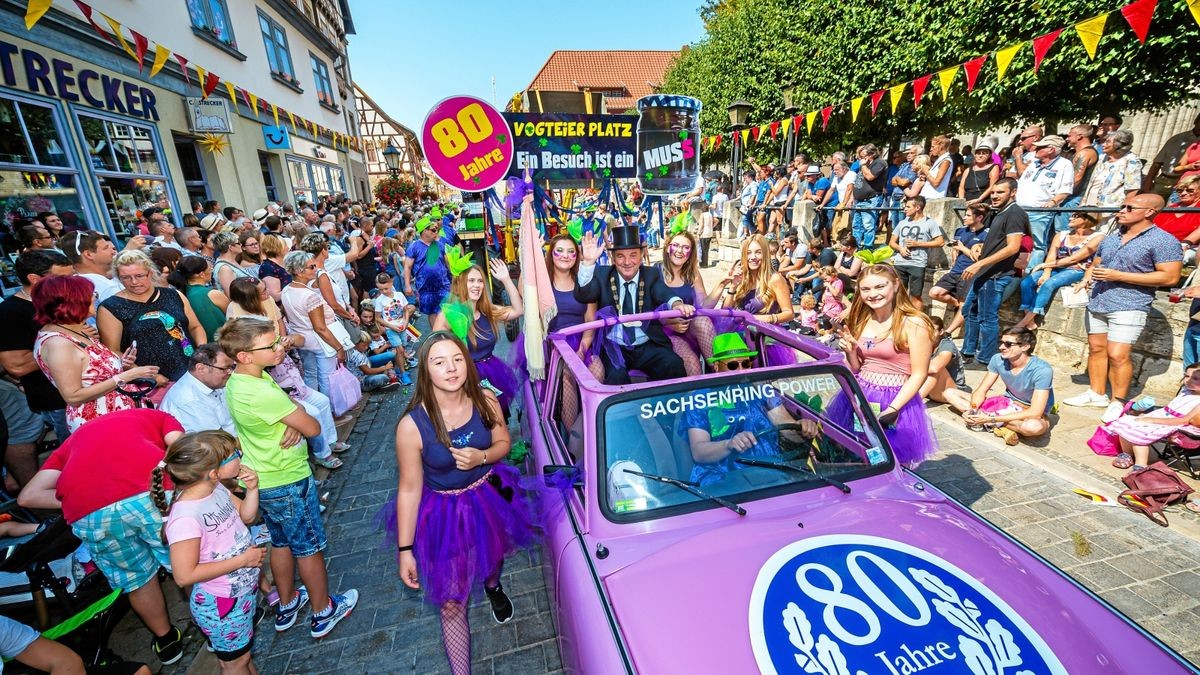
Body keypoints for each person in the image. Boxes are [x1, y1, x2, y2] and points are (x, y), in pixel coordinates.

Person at [391, 332, 535, 675]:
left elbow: (503, 441)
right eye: (439, 362)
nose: (451, 368)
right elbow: (409, 489)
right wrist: (405, 550)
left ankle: (493, 585)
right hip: (443, 512)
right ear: (426, 372)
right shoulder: (411, 427)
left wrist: (481, 456)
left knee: (494, 553)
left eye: (457, 359)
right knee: (451, 601)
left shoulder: (485, 398)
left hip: (489, 496)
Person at [219, 318, 358, 638]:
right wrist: (299, 420)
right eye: (270, 345)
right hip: (287, 478)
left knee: (281, 542)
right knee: (308, 546)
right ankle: (324, 611)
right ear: (244, 356)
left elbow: (291, 415)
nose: (280, 347)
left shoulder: (238, 382)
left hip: (263, 479)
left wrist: (293, 419)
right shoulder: (261, 391)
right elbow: (313, 427)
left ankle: (287, 602)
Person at [18, 409, 188, 666]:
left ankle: (166, 642)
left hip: (92, 516)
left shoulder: (72, 442)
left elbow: (27, 496)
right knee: (185, 562)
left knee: (137, 579)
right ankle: (214, 627)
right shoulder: (154, 416)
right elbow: (185, 452)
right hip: (149, 495)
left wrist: (84, 498)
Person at [1054, 193, 1182, 420]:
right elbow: (1097, 262)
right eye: (1122, 206)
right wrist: (1087, 278)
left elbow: (1170, 277)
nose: (1121, 211)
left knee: (1118, 355)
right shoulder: (1112, 237)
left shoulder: (1163, 241)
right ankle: (1096, 393)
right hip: (1099, 300)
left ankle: (1118, 401)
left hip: (1130, 304)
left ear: (1149, 212)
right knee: (1096, 349)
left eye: (1129, 207)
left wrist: (1118, 275)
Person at [154, 431, 265, 674]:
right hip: (222, 602)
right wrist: (243, 560)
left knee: (243, 659)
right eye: (234, 454)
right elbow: (184, 576)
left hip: (240, 594)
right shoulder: (185, 518)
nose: (240, 455)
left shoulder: (215, 489)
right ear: (214, 472)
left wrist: (253, 489)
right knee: (234, 664)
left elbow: (246, 516)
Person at [829, 264, 937, 467]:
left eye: (880, 286)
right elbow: (856, 368)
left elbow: (919, 373)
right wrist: (851, 352)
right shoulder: (861, 319)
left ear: (896, 285)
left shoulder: (915, 323)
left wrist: (894, 408)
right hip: (860, 396)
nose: (873, 294)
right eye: (866, 289)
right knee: (860, 455)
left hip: (895, 399)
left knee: (893, 462)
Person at [683, 332, 821, 486]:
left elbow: (786, 428)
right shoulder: (700, 398)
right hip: (722, 475)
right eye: (733, 365)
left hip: (769, 468)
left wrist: (802, 428)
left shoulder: (761, 389)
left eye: (746, 364)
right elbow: (699, 451)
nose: (742, 370)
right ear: (716, 366)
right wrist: (728, 444)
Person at [33, 275, 158, 433]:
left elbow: (90, 372)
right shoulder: (59, 345)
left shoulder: (74, 330)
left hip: (118, 415)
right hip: (101, 423)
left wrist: (121, 364)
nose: (95, 297)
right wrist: (127, 376)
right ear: (74, 302)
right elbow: (73, 396)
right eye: (91, 294)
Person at [575, 226, 693, 384]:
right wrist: (588, 263)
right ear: (612, 258)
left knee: (673, 364)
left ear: (642, 256)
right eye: (620, 256)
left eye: (633, 255)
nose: (627, 262)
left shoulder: (651, 274)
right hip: (614, 346)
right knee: (616, 377)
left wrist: (677, 304)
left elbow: (663, 292)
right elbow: (584, 295)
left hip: (647, 344)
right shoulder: (602, 274)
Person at [0, 250, 75, 454]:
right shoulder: (11, 312)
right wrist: (69, 342)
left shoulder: (58, 301)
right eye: (62, 279)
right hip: (56, 401)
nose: (70, 284)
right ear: (34, 279)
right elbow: (17, 366)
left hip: (80, 394)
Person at [98, 250, 205, 384]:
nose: (134, 282)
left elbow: (195, 327)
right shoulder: (110, 307)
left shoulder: (173, 295)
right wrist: (149, 376)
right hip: (155, 382)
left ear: (151, 272)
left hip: (194, 371)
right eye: (126, 277)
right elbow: (113, 351)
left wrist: (203, 354)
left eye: (140, 275)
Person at [430, 259, 523, 409]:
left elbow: (518, 310)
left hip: (491, 374)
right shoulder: (448, 316)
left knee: (497, 418)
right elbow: (433, 354)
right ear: (460, 283)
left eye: (480, 281)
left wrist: (506, 279)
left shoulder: (488, 310)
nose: (477, 285)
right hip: (463, 379)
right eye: (471, 280)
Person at [944, 327, 1053, 446]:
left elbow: (1035, 412)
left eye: (1008, 344)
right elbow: (982, 389)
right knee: (949, 393)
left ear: (1025, 347)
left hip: (1027, 411)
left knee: (1033, 428)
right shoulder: (997, 359)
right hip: (1006, 403)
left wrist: (991, 419)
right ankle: (995, 423)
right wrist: (973, 408)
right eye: (1001, 342)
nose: (1001, 347)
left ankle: (990, 422)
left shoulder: (1042, 370)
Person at [960, 179, 1028, 364]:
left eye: (1000, 192)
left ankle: (985, 360)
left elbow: (1013, 247)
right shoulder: (1000, 213)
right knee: (969, 311)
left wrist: (977, 265)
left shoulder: (1014, 213)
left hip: (996, 275)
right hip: (986, 272)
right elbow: (1000, 242)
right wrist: (980, 246)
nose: (995, 196)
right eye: (993, 192)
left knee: (987, 318)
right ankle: (968, 352)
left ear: (1013, 192)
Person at [1015, 211, 1101, 329]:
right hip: (1055, 267)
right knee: (1027, 282)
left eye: (1076, 216)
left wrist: (1044, 265)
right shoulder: (1062, 235)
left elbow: (1074, 259)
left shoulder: (1098, 237)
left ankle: (1022, 323)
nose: (1071, 218)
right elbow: (1051, 255)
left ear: (1088, 218)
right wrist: (1046, 271)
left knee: (1049, 284)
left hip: (1076, 269)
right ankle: (1029, 320)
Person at [281, 250, 348, 397]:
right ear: (299, 271)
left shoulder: (286, 290)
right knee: (327, 377)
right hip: (319, 342)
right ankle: (331, 411)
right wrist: (339, 347)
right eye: (311, 267)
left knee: (311, 374)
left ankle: (316, 404)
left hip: (302, 339)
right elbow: (320, 328)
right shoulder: (310, 296)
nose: (315, 269)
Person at [1108, 366, 1200, 471]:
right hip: (1165, 416)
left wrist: (1152, 420)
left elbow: (1183, 420)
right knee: (1126, 422)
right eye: (1186, 376)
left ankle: (1141, 465)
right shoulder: (1186, 390)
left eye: (1196, 378)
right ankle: (1127, 454)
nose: (1188, 380)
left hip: (1179, 425)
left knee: (1139, 430)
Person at [657, 228, 716, 376]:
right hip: (664, 331)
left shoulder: (692, 273)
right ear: (667, 247)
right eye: (676, 245)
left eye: (686, 247)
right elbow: (644, 309)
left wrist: (722, 285)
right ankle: (696, 396)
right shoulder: (654, 271)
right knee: (692, 364)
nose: (679, 251)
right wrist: (669, 322)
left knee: (703, 320)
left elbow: (704, 305)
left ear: (690, 253)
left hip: (689, 328)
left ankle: (719, 372)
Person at [1016, 135, 1074, 272]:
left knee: (1038, 244)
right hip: (1020, 209)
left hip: (1039, 211)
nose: (1036, 149)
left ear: (1051, 149)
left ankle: (1031, 272)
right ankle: (1016, 270)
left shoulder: (1064, 164)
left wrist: (1052, 202)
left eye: (1040, 147)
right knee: (1017, 240)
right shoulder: (1033, 163)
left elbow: (1065, 190)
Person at [929, 203, 990, 332]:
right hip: (955, 270)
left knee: (964, 304)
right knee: (934, 292)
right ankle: (959, 305)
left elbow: (979, 259)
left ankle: (948, 332)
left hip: (970, 273)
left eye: (968, 215)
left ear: (979, 218)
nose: (964, 217)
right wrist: (955, 253)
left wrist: (962, 248)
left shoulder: (986, 234)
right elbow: (955, 247)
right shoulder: (960, 230)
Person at [715, 234, 795, 325]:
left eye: (758, 252)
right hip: (736, 331)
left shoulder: (775, 279)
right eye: (748, 253)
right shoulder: (741, 276)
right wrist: (733, 287)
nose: (753, 257)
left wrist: (765, 318)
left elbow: (789, 314)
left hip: (761, 334)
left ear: (765, 254)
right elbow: (725, 313)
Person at [887, 196, 944, 306]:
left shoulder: (929, 223)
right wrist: (900, 249)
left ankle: (918, 321)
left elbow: (940, 242)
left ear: (917, 207)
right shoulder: (902, 222)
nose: (905, 209)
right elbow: (892, 242)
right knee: (898, 294)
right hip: (900, 262)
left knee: (915, 296)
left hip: (917, 263)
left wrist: (919, 244)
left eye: (908, 207)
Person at [167, 256, 229, 341]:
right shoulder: (213, 294)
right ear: (202, 274)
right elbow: (233, 315)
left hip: (202, 347)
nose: (211, 271)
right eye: (210, 269)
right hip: (224, 344)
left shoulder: (180, 296)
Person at [1083, 129, 1143, 215]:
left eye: (1107, 142)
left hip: (1110, 211)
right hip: (1090, 206)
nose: (1103, 144)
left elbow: (1132, 189)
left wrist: (1123, 210)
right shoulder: (1102, 157)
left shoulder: (1131, 161)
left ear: (1118, 145)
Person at [1143, 112, 1200, 200]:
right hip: (1164, 181)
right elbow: (1157, 163)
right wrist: (1148, 183)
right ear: (1196, 121)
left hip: (1188, 185)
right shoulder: (1177, 139)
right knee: (1150, 205)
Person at [61, 230, 128, 303]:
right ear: (89, 254)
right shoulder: (107, 289)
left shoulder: (72, 283)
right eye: (105, 248)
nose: (113, 252)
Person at [404, 215, 451, 315]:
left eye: (437, 230)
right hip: (425, 288)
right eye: (433, 230)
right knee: (432, 313)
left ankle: (443, 330)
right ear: (424, 231)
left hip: (443, 286)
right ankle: (436, 331)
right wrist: (407, 286)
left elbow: (448, 264)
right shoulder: (414, 247)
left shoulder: (440, 245)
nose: (436, 232)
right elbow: (407, 267)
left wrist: (455, 278)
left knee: (446, 312)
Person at [921, 316, 967, 404]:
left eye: (932, 330)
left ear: (941, 332)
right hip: (930, 388)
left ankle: (912, 403)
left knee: (936, 369)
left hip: (951, 391)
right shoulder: (922, 343)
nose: (928, 334)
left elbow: (935, 368)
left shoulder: (947, 345)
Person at [850, 144, 888, 248]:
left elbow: (870, 177)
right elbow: (858, 182)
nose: (861, 159)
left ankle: (867, 248)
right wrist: (853, 197)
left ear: (871, 154)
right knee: (856, 226)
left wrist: (863, 165)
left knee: (868, 226)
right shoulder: (865, 164)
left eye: (863, 156)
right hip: (859, 201)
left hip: (870, 199)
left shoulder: (879, 163)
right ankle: (856, 247)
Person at [257, 233, 292, 302]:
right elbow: (275, 297)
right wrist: (296, 286)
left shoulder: (284, 261)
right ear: (276, 248)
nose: (288, 248)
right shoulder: (268, 268)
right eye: (284, 245)